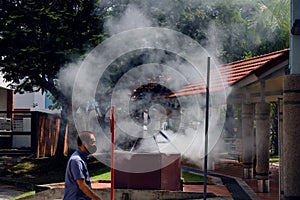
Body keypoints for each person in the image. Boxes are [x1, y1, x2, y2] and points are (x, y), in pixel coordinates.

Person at [64, 131, 102, 200]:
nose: (94, 145)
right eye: (92, 142)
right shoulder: (77, 161)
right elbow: (82, 185)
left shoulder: (81, 159)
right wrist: (96, 198)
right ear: (84, 143)